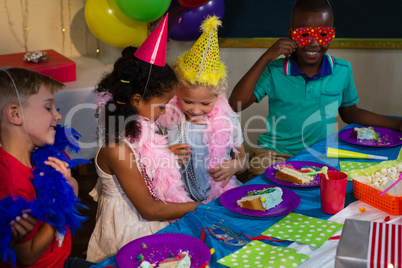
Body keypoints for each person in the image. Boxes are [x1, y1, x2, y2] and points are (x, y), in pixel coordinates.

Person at [229, 0, 402, 179]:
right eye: (304, 34)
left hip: (318, 155)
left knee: (340, 189)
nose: (314, 43)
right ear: (290, 34)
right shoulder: (275, 70)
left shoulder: (342, 70)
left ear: (332, 34)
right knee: (264, 191)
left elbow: (350, 112)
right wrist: (266, 57)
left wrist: (397, 124)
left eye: (323, 34)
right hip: (272, 155)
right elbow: (235, 104)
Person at [86, 15, 200, 263]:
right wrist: (201, 207)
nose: (164, 113)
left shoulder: (134, 129)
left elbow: (143, 162)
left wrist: (165, 154)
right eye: (161, 106)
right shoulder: (117, 147)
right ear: (136, 101)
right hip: (129, 234)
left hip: (146, 223)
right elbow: (149, 209)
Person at [0, 68, 93, 268]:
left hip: (60, 259)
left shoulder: (39, 155)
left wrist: (69, 186)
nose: (57, 116)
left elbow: (71, 183)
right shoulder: (11, 182)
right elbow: (28, 256)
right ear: (15, 114)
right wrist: (63, 203)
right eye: (48, 107)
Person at [158, 16, 247, 204]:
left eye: (205, 104)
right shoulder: (164, 116)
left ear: (218, 95)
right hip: (176, 198)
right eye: (188, 101)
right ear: (176, 92)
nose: (196, 110)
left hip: (216, 196)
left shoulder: (227, 121)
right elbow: (148, 154)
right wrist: (166, 154)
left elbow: (243, 160)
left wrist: (235, 165)